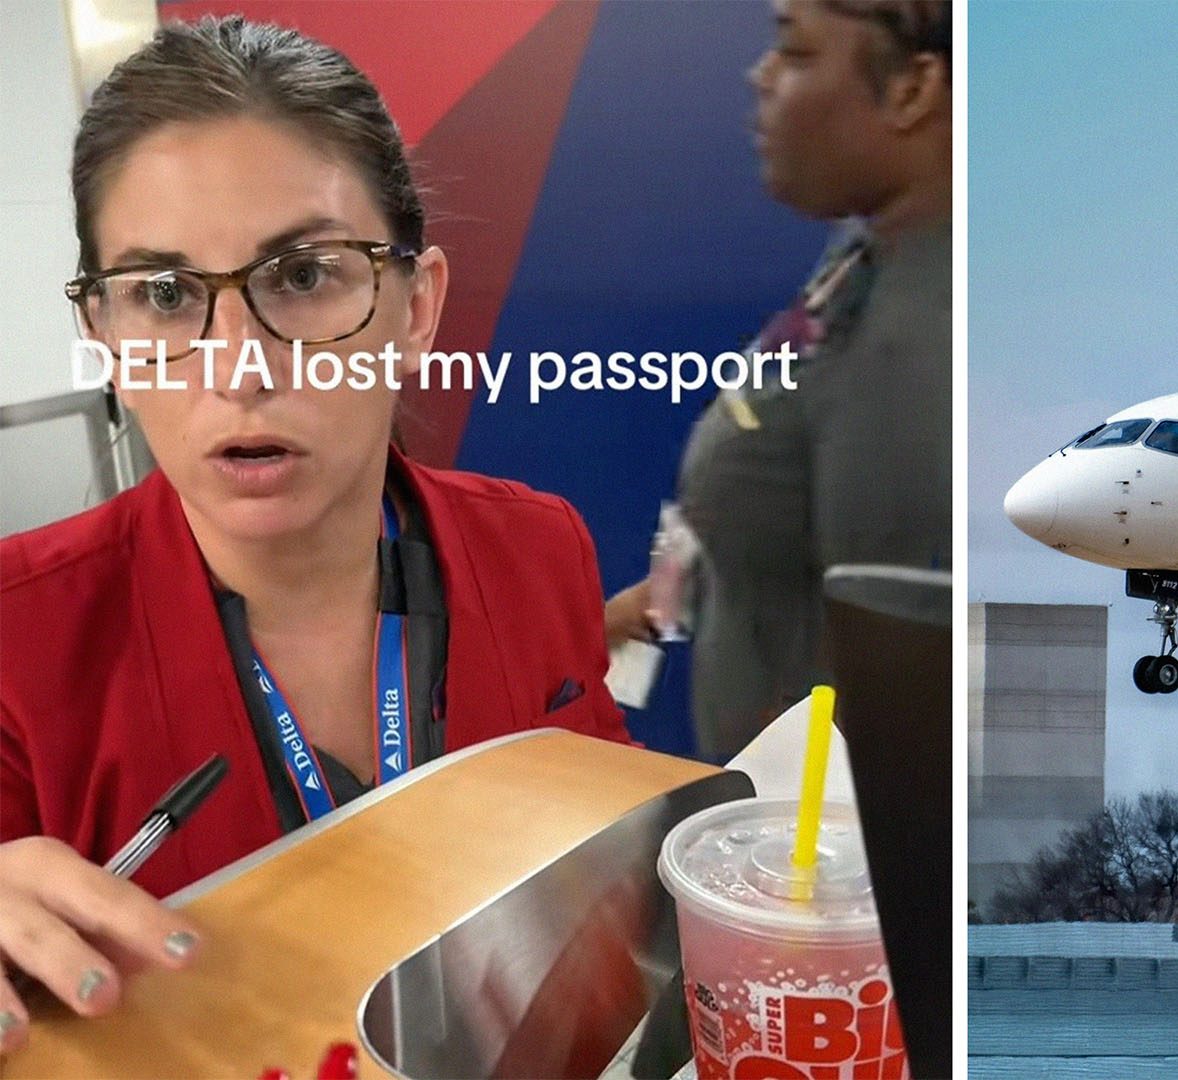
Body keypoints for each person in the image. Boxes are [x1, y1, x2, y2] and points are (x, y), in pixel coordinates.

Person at [0, 17, 626, 1051]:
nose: (240, 367)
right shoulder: (21, 633)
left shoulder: (538, 547)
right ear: (104, 337)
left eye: (303, 277)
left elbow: (604, 848)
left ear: (415, 307)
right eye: (162, 295)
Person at [605, 0, 951, 761]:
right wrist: (650, 607)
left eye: (794, 53)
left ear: (912, 90)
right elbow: (774, 514)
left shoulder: (916, 342)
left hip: (801, 848)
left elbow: (876, 665)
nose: (759, 76)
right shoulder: (862, 257)